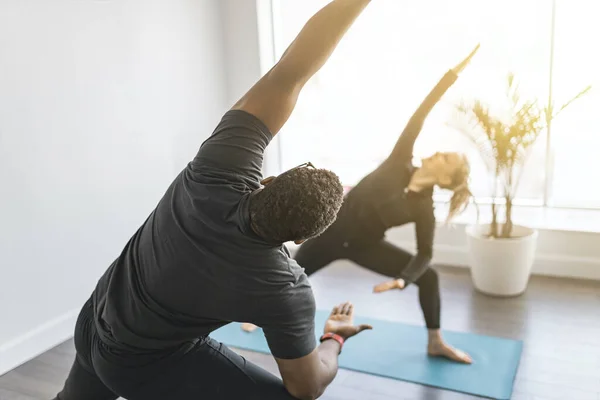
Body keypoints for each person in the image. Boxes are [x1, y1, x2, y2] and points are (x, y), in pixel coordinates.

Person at [52, 1, 376, 400]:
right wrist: (333, 338)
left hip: (96, 320)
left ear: (268, 179)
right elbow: (306, 387)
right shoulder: (283, 288)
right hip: (142, 367)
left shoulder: (220, 167)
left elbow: (292, 72)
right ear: (299, 239)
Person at [244, 45, 480, 364]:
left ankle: (435, 341)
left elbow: (425, 253)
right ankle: (258, 315)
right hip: (330, 232)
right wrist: (451, 76)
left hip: (365, 245)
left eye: (447, 159)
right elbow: (420, 114)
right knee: (291, 274)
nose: (439, 153)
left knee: (431, 276)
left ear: (446, 179)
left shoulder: (423, 208)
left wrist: (404, 279)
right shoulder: (399, 161)